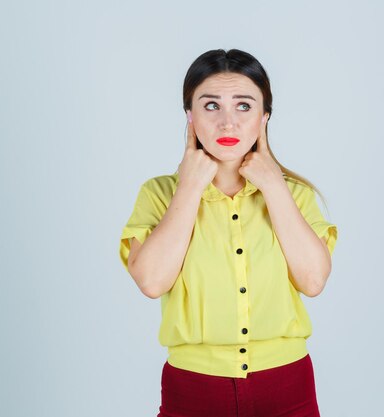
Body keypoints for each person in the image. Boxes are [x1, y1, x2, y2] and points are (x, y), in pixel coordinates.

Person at [118, 49, 338, 417]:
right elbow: (152, 282)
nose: (227, 123)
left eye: (243, 105)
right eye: (210, 106)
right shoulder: (158, 194)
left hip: (288, 385)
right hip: (193, 388)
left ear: (264, 116)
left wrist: (274, 187)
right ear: (189, 115)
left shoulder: (295, 195)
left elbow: (313, 281)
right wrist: (189, 188)